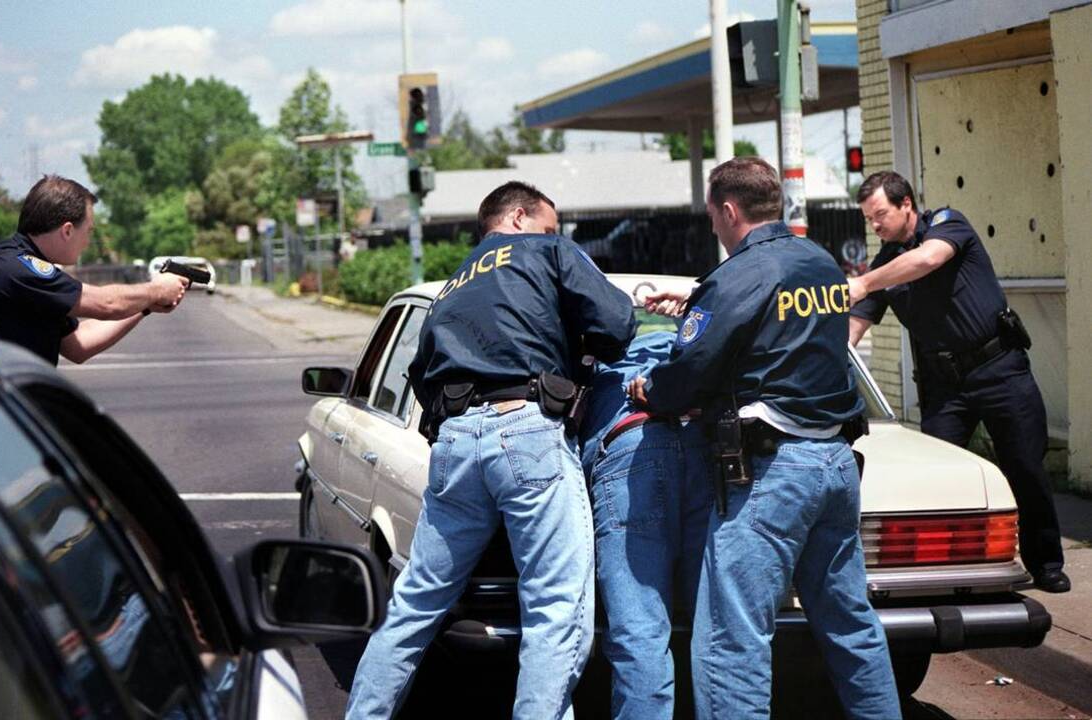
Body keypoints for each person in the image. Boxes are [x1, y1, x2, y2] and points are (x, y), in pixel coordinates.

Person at [346, 181, 637, 720]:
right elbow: (618, 325)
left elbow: (420, 375)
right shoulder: (548, 251)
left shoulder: (453, 284)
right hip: (528, 429)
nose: (556, 234)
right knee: (555, 611)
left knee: (414, 605)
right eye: (550, 224)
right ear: (521, 217)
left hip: (456, 440)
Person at [628, 157, 900, 719]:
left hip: (771, 477)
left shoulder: (735, 277)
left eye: (712, 217)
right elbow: (782, 335)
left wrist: (648, 391)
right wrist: (698, 306)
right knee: (851, 624)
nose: (713, 228)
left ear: (728, 211)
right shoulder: (820, 262)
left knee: (732, 641)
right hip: (836, 465)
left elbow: (687, 372)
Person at [849, 170, 1069, 593]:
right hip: (946, 388)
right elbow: (856, 326)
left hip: (998, 370)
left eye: (880, 216)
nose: (875, 226)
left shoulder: (948, 224)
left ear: (906, 205)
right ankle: (942, 569)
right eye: (869, 220)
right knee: (934, 476)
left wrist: (861, 283)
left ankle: (1046, 565)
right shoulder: (884, 267)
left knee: (1024, 467)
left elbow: (928, 259)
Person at [579, 330, 711, 719]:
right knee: (716, 627)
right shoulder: (703, 343)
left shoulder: (593, 361)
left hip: (630, 450)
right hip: (708, 450)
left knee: (640, 629)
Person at [0, 175, 187, 366]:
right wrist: (157, 290)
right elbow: (107, 303)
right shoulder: (15, 267)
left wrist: (145, 306)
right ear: (67, 230)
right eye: (88, 231)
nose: (88, 241)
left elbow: (79, 345)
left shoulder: (22, 268)